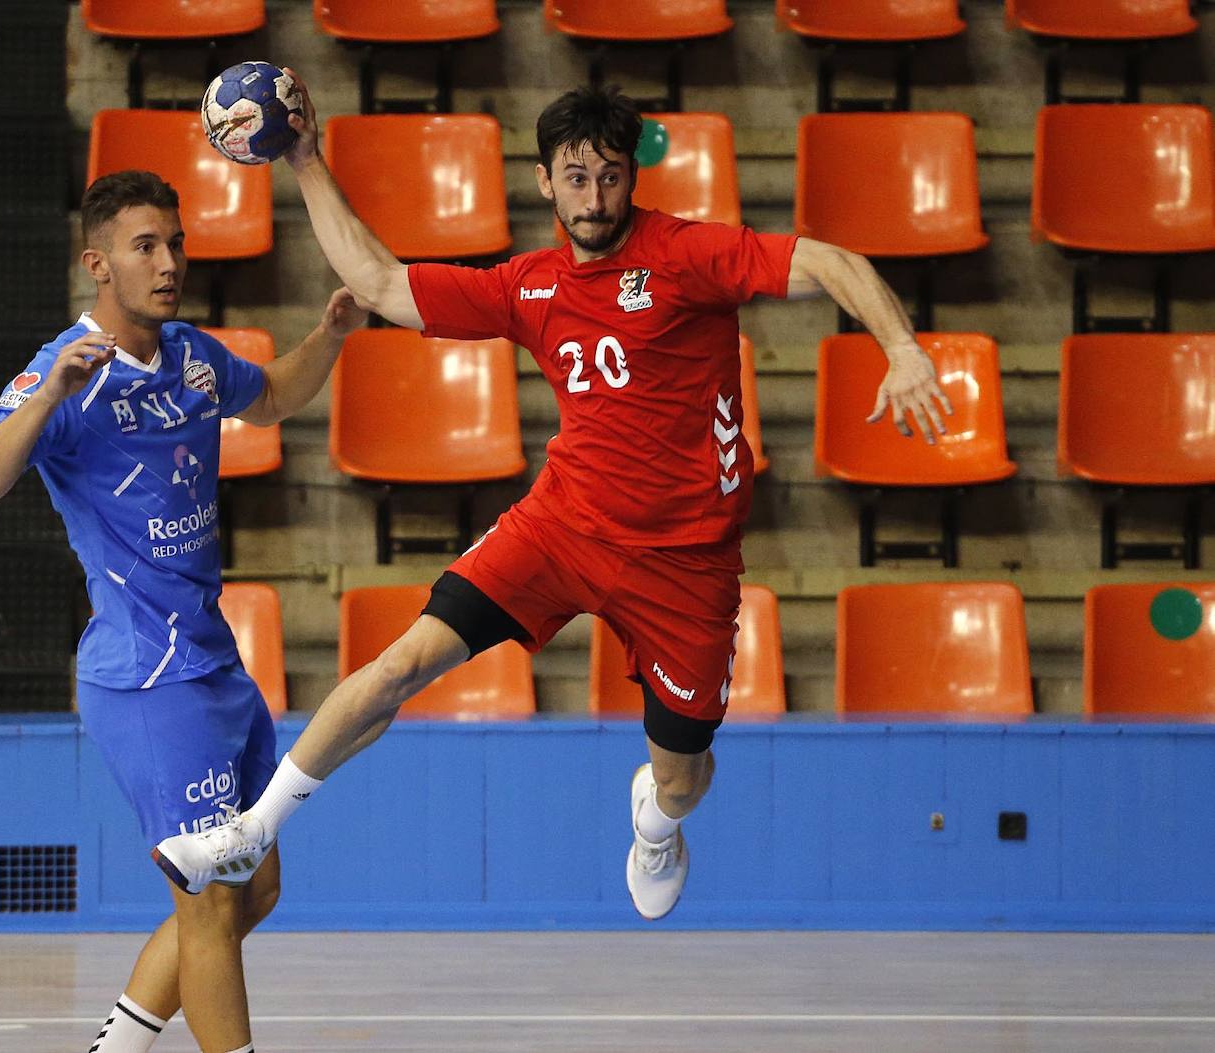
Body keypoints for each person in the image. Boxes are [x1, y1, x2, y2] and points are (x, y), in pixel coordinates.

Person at [153, 83, 951, 921]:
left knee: (682, 775)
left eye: (610, 177)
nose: (595, 198)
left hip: (686, 562)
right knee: (401, 664)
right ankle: (252, 829)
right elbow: (381, 283)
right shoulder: (528, 286)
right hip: (562, 527)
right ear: (543, 182)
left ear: (629, 180)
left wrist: (901, 348)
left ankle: (655, 820)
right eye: (576, 180)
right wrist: (305, 161)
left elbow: (828, 259)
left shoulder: (687, 254)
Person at [0, 169, 368, 1053]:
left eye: (175, 242)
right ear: (98, 263)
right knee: (211, 900)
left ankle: (116, 1046)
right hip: (145, 674)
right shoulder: (65, 376)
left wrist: (330, 335)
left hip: (214, 663)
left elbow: (278, 396)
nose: (169, 260)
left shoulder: (193, 356)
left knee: (254, 888)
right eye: (147, 245)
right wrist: (51, 395)